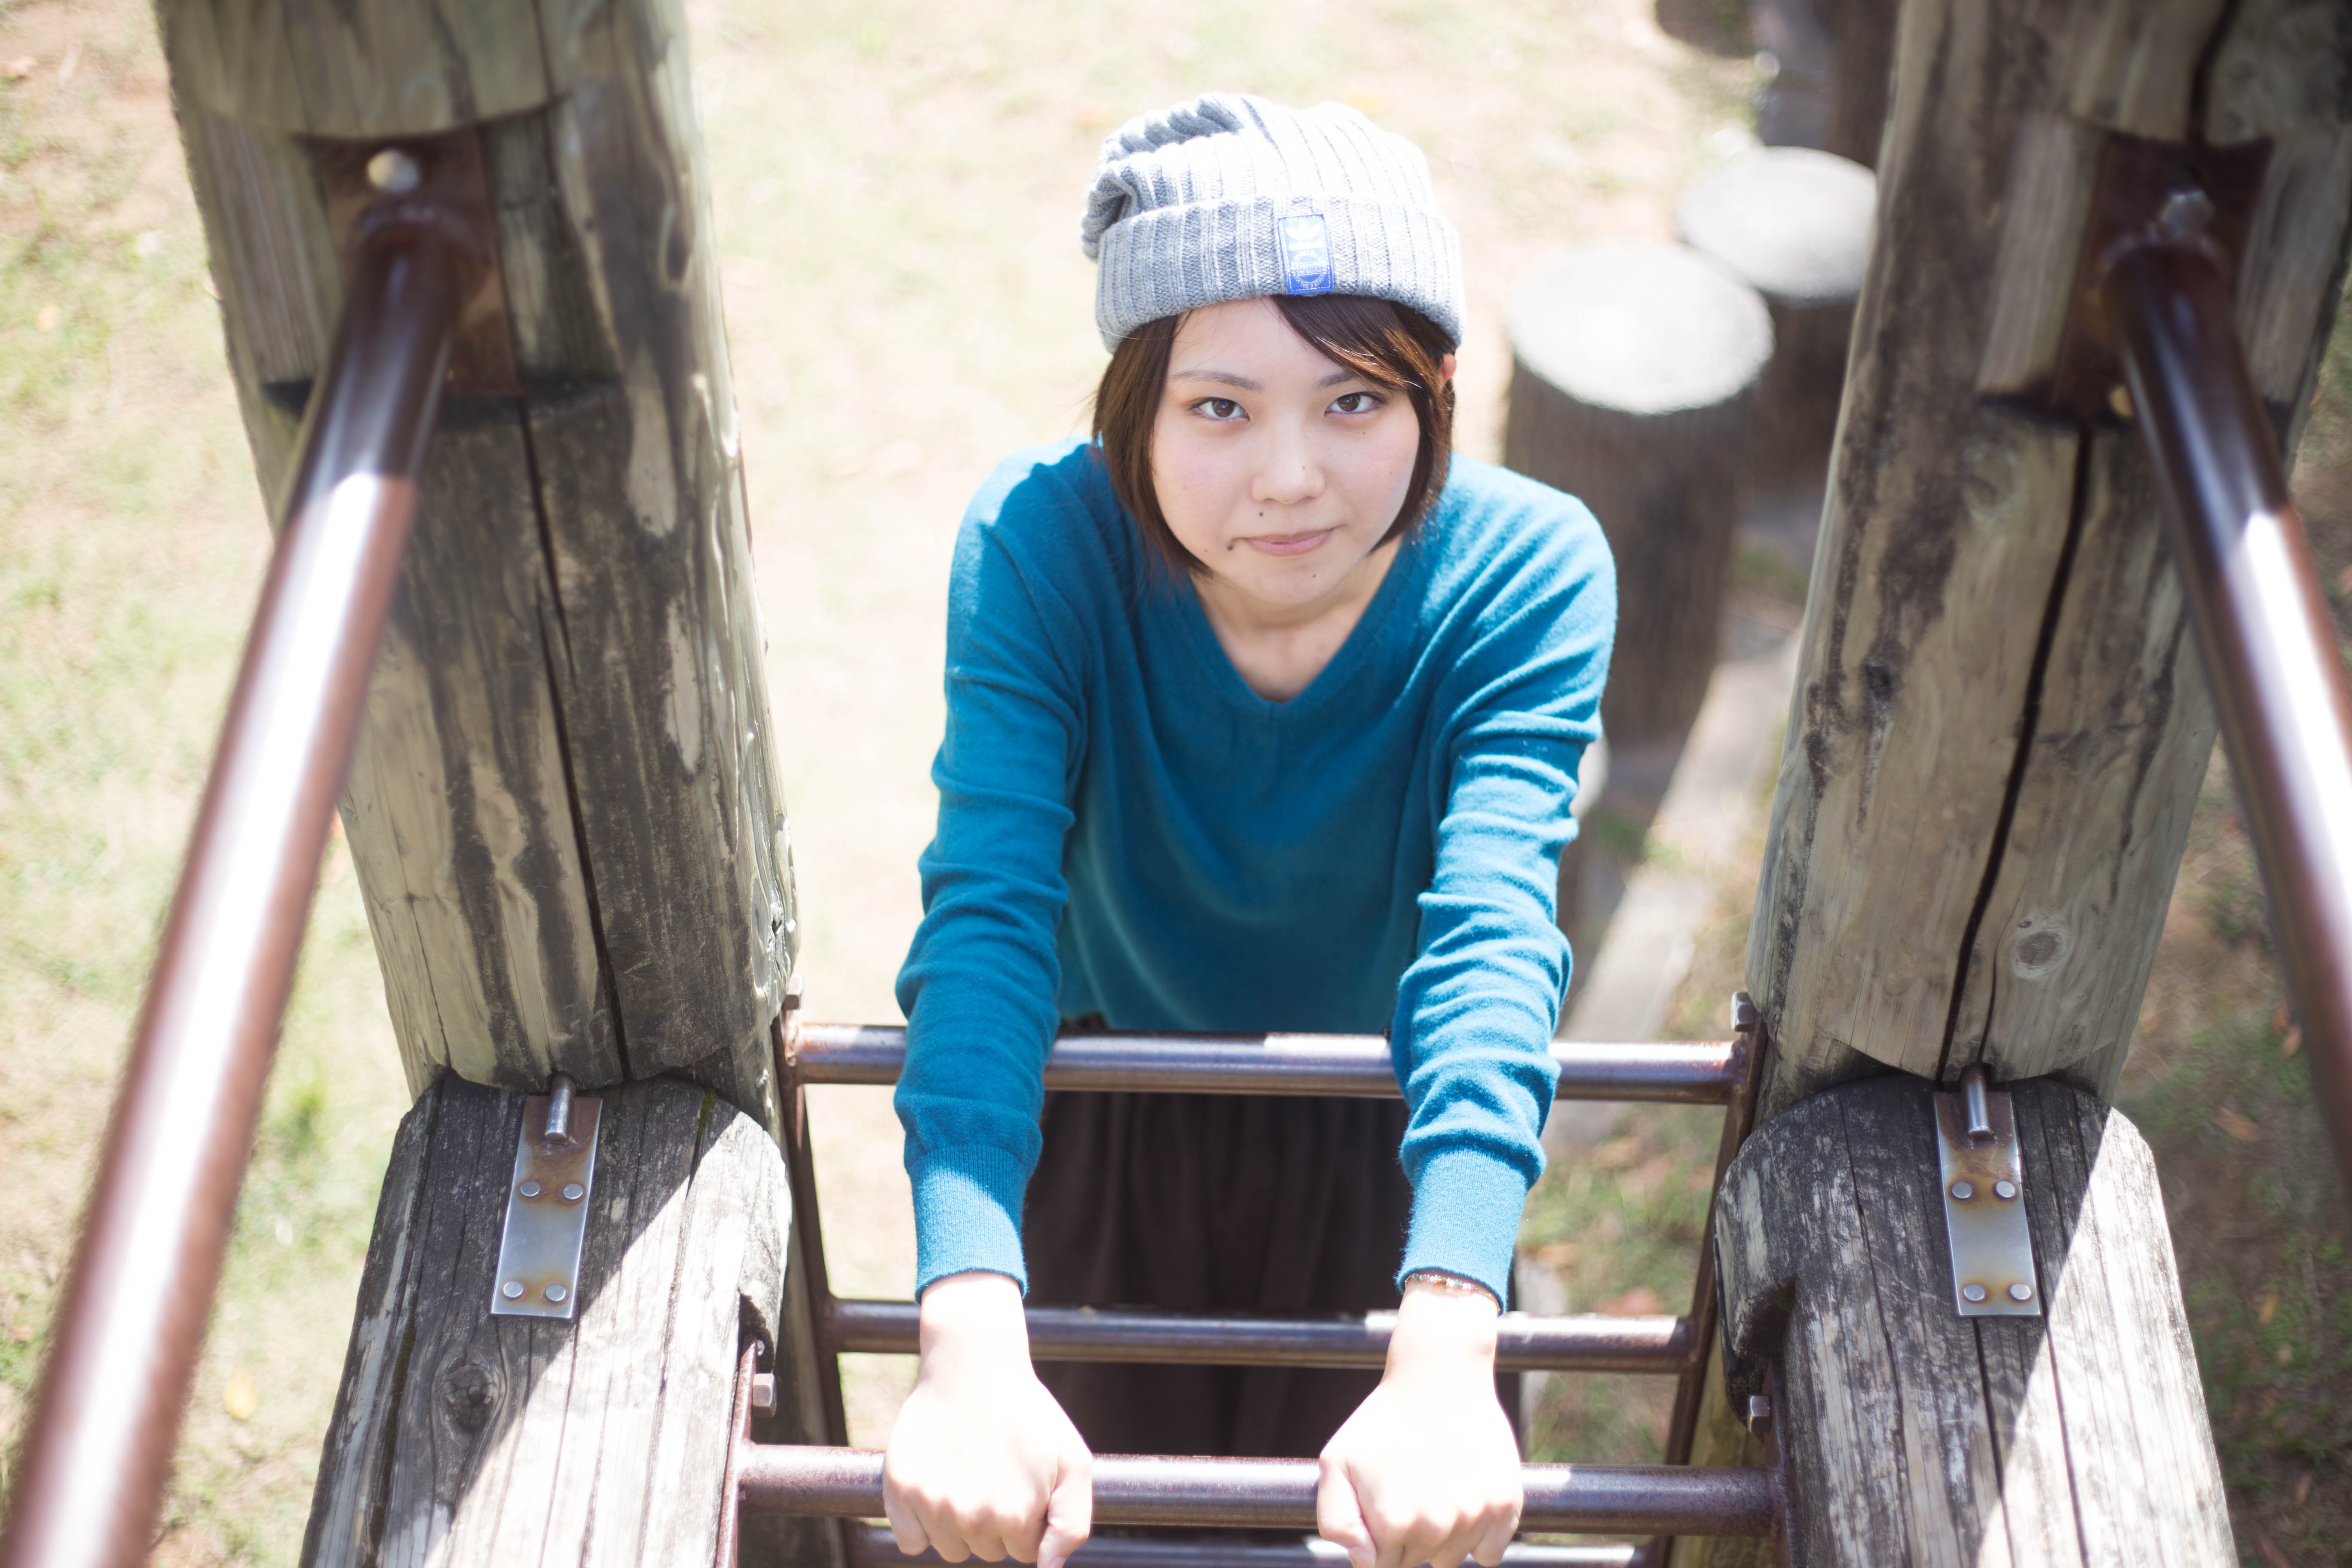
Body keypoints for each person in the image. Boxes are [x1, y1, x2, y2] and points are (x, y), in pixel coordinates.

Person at [880, 92, 1614, 1568]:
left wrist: (1450, 1341)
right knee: (1092, 1532)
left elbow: (1493, 934)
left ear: (1437, 394)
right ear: (1134, 410)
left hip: (1395, 1131)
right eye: (1221, 408)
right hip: (1105, 1109)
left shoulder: (1528, 572)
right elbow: (987, 920)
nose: (1291, 476)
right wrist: (961, 1334)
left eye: (1355, 402)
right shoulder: (1043, 544)